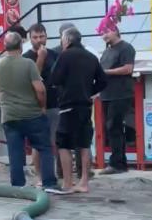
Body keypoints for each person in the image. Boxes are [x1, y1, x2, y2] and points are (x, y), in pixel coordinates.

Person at [0, 32, 57, 189]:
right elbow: (40, 90)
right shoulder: (28, 64)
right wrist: (42, 107)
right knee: (45, 148)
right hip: (32, 114)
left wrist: (5, 102)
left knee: (15, 153)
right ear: (21, 45)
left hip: (10, 117)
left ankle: (18, 186)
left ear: (5, 47)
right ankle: (49, 184)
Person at [50, 28, 107, 193]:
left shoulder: (65, 55)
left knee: (63, 143)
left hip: (68, 105)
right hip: (85, 106)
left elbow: (55, 79)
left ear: (67, 40)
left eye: (62, 39)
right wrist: (88, 91)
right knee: (84, 143)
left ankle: (67, 183)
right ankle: (84, 182)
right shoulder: (91, 57)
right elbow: (103, 81)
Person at [23, 24, 59, 185]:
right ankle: (39, 176)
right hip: (35, 105)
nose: (39, 40)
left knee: (54, 140)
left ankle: (55, 174)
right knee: (38, 142)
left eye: (41, 36)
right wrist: (41, 58)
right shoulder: (26, 57)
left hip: (54, 103)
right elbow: (33, 78)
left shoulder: (55, 54)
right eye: (35, 37)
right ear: (30, 39)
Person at [99, 26, 136, 175]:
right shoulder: (107, 51)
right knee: (111, 128)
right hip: (107, 94)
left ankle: (117, 163)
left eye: (107, 32)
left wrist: (106, 72)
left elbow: (128, 69)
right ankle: (118, 162)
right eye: (102, 33)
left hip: (120, 93)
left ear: (115, 30)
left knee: (114, 127)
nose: (104, 35)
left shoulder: (126, 48)